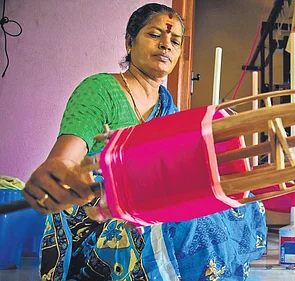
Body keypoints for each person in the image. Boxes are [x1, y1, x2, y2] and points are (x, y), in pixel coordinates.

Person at [22, 3, 266, 281]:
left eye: (175, 41)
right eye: (154, 35)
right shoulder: (101, 90)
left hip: (152, 202)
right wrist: (59, 171)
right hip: (102, 211)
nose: (166, 45)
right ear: (129, 41)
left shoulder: (169, 109)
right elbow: (66, 156)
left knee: (244, 203)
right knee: (183, 221)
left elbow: (179, 174)